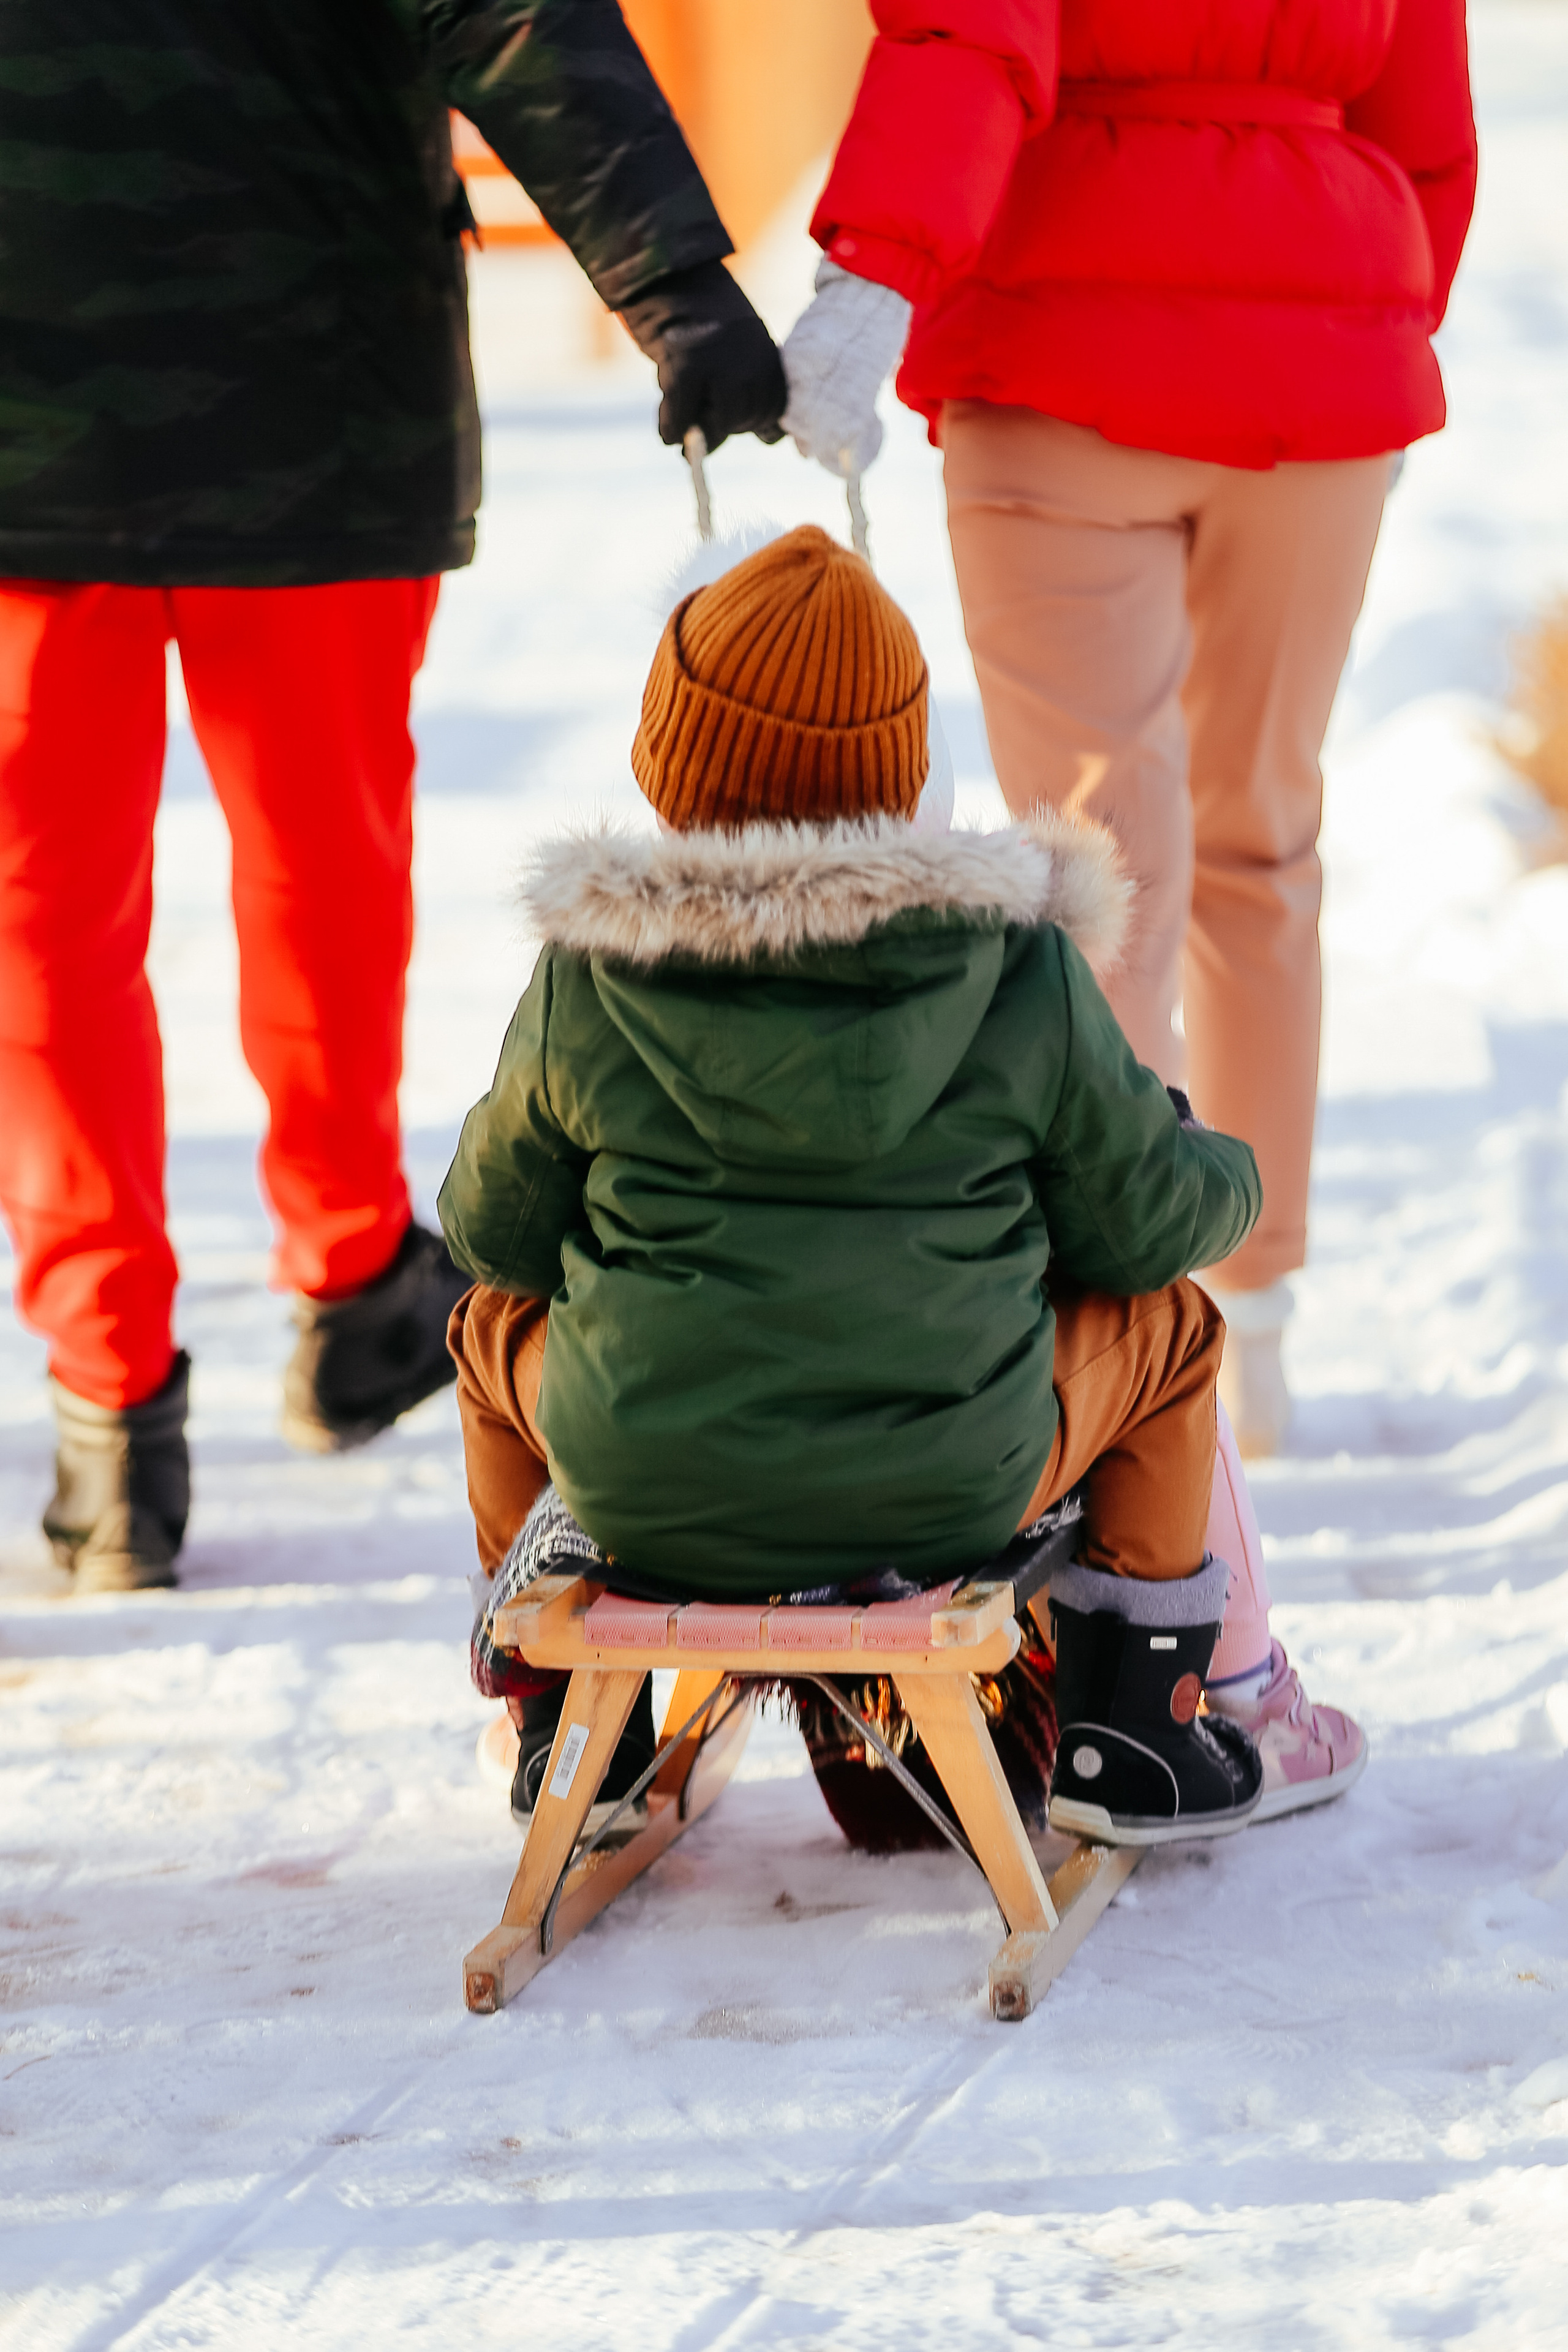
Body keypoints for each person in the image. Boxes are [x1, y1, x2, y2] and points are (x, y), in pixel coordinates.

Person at [0, 2, 786, 1591]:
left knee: (40, 921)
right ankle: (352, 1277)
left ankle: (110, 1407)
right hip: (318, 385)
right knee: (322, 867)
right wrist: (673, 283)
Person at [439, 526, 1364, 1849]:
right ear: (903, 767)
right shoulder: (1016, 965)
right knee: (1167, 1331)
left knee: (487, 1329)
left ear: (668, 757)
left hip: (646, 1482)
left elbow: (494, 1233)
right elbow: (1142, 1226)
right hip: (954, 1481)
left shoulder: (592, 974)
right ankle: (1138, 1730)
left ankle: (561, 1721)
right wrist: (1211, 1158)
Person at [778, 0, 1477, 1455]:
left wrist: (874, 273)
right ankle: (1253, 1316)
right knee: (1258, 844)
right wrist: (1385, 328)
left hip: (1057, 336)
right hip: (1319, 353)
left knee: (1094, 869)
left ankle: (1118, 1338)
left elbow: (969, 38)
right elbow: (1424, 132)